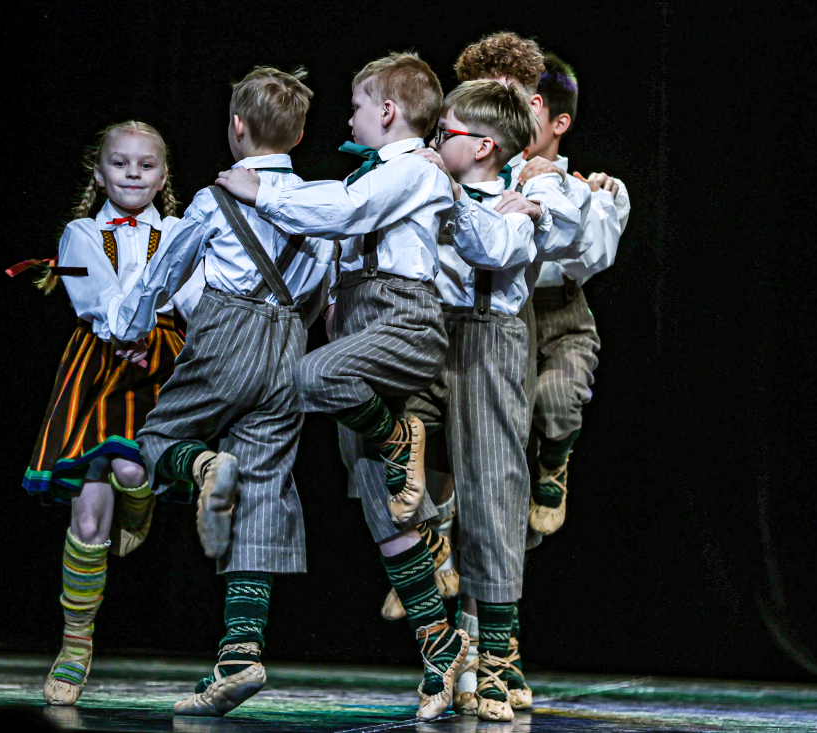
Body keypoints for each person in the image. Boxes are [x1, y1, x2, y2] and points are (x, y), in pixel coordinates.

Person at [216, 51, 475, 721]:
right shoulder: (373, 173)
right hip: (362, 326)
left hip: (402, 322)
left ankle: (398, 438)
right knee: (384, 514)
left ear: (387, 111)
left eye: (358, 106)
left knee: (311, 375)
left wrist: (261, 191)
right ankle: (441, 647)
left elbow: (348, 211)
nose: (349, 117)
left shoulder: (415, 169)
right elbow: (337, 243)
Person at [115, 67, 330, 717]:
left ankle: (205, 466)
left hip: (226, 332)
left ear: (237, 126)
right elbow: (324, 285)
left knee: (158, 439)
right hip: (290, 342)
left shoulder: (215, 200)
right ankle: (240, 652)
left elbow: (165, 270)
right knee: (263, 486)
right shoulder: (319, 200)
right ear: (298, 134)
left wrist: (130, 328)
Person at [10, 121, 184, 706]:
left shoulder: (180, 232)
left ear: (163, 176)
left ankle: (140, 505)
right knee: (87, 520)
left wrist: (151, 335)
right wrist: (123, 331)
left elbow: (192, 294)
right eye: (120, 163)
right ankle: (76, 642)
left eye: (146, 165)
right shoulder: (81, 233)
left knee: (132, 468)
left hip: (158, 359)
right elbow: (95, 295)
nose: (133, 174)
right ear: (100, 173)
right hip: (99, 362)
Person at [407, 79, 540, 721]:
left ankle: (495, 653)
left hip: (488, 341)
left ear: (484, 146)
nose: (434, 142)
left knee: (492, 491)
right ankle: (433, 546)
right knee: (387, 450)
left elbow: (491, 249)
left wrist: (453, 196)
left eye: (445, 134)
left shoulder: (520, 204)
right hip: (426, 333)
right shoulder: (427, 188)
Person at [514, 51, 631, 537]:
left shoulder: (586, 187)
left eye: (527, 107)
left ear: (558, 122)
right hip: (509, 315)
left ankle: (554, 464)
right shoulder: (488, 172)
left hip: (561, 312)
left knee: (558, 397)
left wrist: (591, 197)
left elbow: (593, 256)